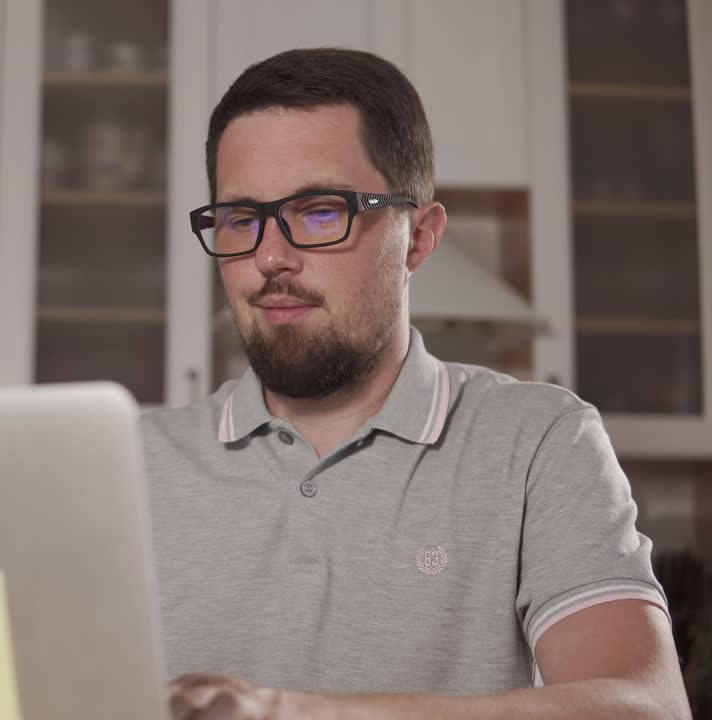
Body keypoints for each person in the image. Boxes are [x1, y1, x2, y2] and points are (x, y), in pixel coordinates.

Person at [142, 48, 690, 720]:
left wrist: (290, 712)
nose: (270, 257)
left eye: (321, 212)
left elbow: (648, 708)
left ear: (419, 238)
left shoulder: (538, 441)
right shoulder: (129, 461)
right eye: (240, 219)